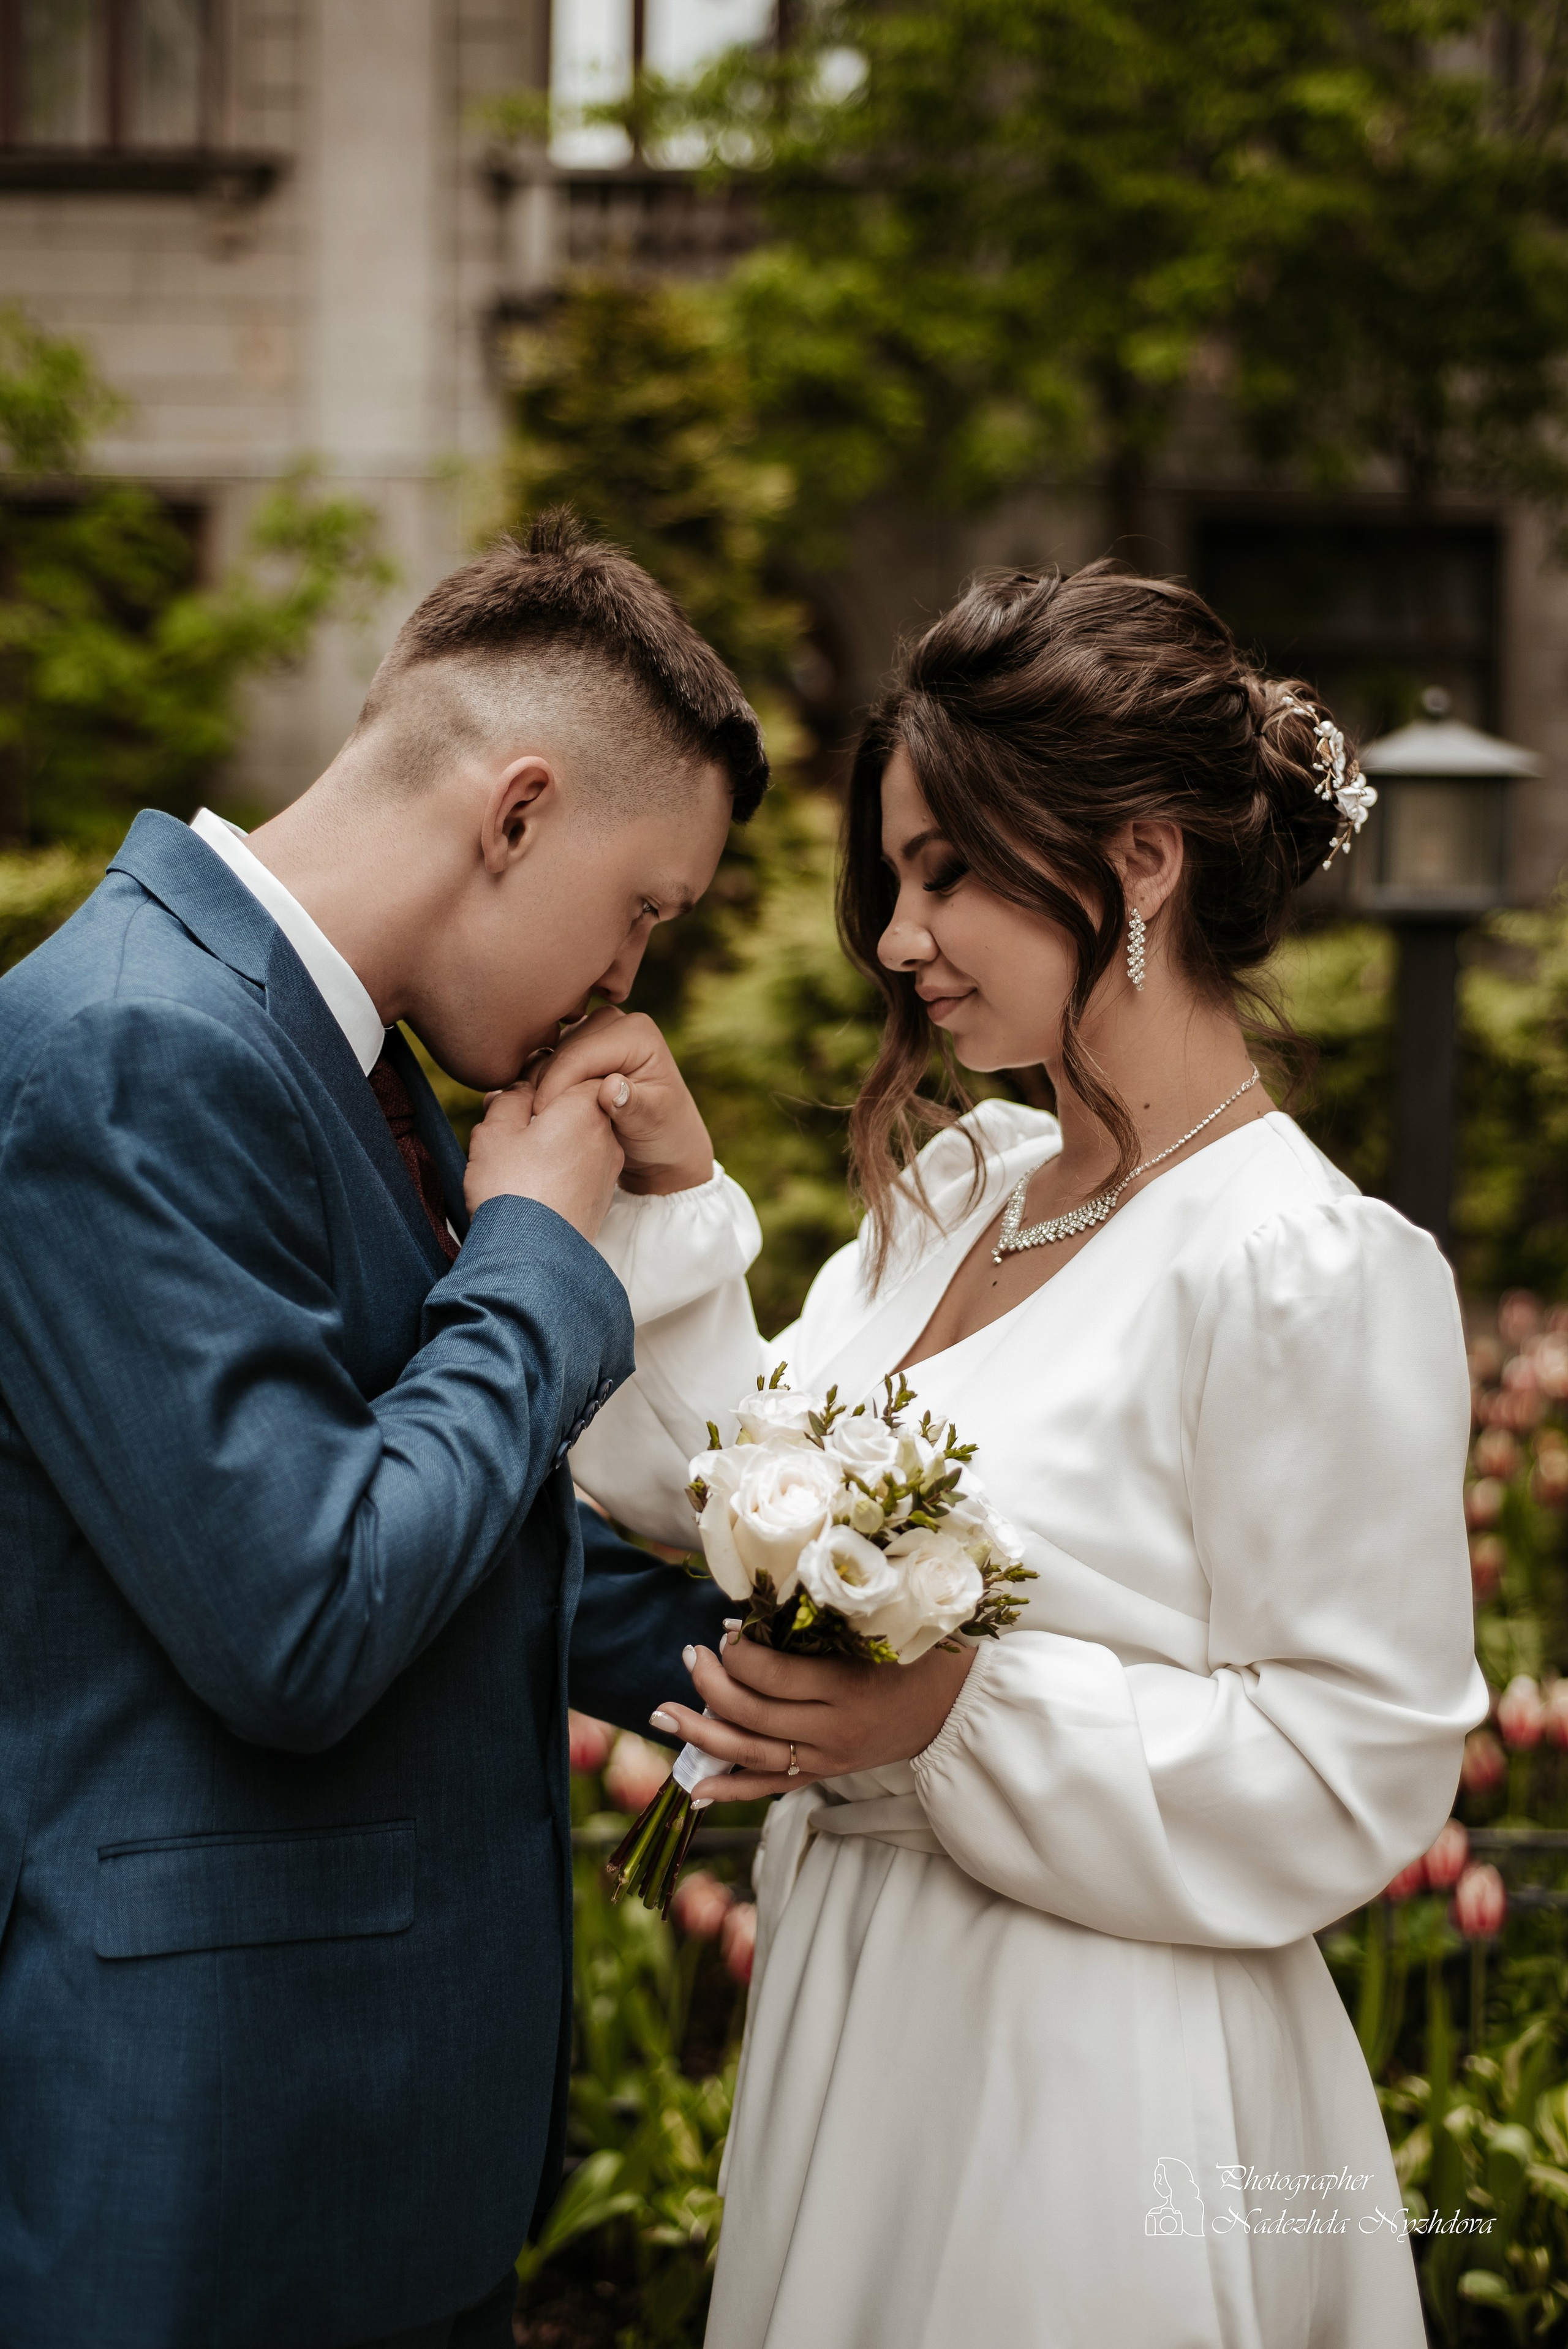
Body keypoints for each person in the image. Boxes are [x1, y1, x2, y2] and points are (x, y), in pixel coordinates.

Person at [554, 562, 1489, 2347]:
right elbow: (745, 1496)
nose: (899, 939)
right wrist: (672, 1196)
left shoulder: (1300, 1263)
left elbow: (1359, 1762)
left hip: (1095, 2067)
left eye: (949, 872)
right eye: (896, 879)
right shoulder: (969, 1179)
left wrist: (962, 1715)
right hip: (861, 2014)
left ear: (1140, 863)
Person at [0, 515, 769, 2349]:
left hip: (380, 2135)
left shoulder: (348, 1054)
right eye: (644, 905)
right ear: (513, 814)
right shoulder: (122, 1046)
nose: (625, 978)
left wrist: (772, 1658)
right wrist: (531, 1255)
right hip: (210, 2163)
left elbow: (449, 1514)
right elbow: (305, 1607)